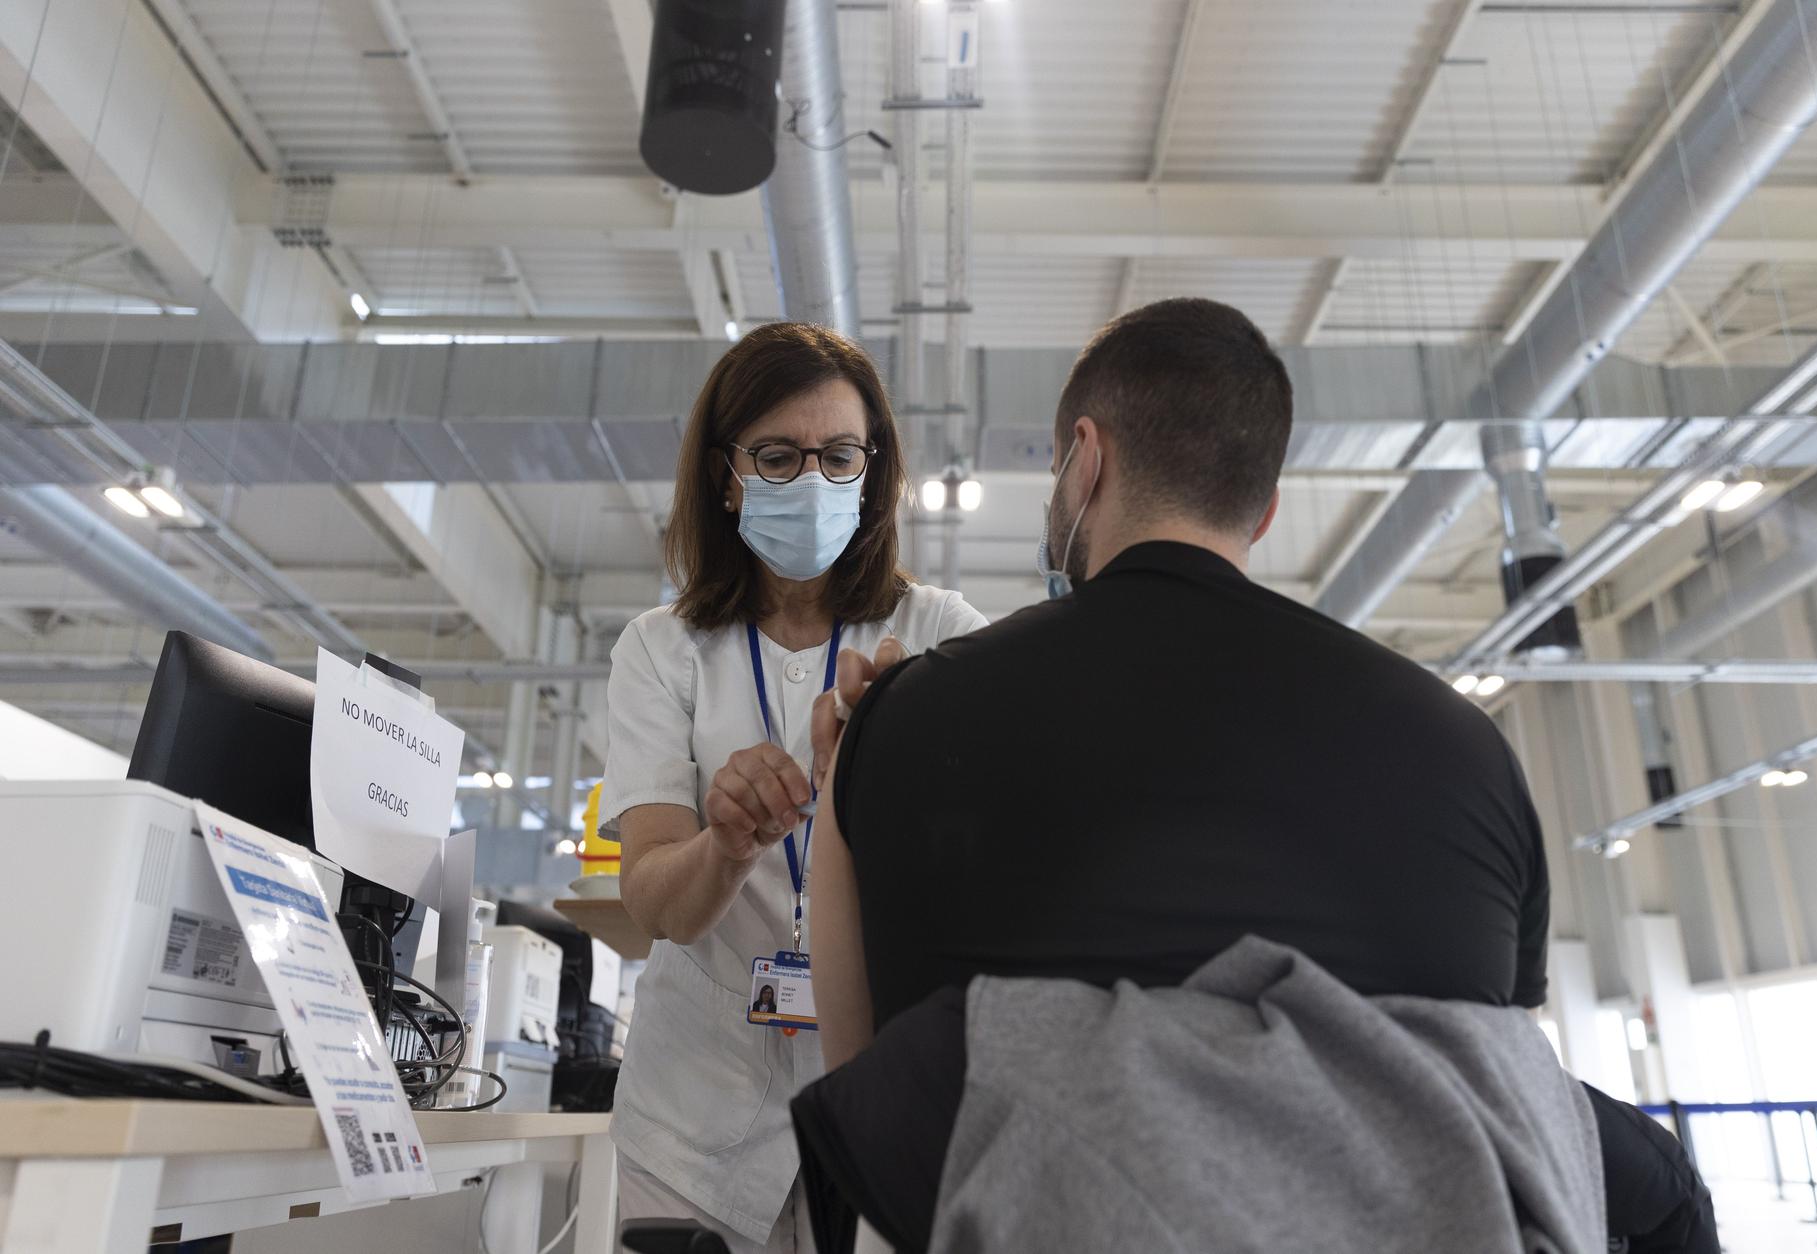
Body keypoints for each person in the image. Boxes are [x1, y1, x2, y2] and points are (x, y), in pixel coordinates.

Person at [797, 298, 1715, 1252]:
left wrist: (852, 767)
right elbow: (1502, 1077)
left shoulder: (906, 717)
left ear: (1086, 457)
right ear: (1265, 507)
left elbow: (858, 1097)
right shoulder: (1465, 746)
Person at [601, 322, 987, 1253]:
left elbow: (986, 879)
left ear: (873, 469)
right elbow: (653, 901)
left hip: (877, 1101)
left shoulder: (938, 637)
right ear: (727, 475)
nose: (810, 481)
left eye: (839, 455)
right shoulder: (661, 650)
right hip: (691, 1121)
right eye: (776, 456)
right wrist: (724, 845)